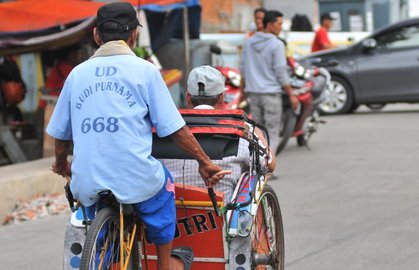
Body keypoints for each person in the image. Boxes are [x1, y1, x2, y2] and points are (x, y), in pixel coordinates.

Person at [47, 3, 228, 270]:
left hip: (88, 180)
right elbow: (174, 128)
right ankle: (164, 265)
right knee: (164, 189)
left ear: (97, 35)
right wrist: (204, 161)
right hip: (136, 179)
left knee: (90, 210)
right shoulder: (145, 71)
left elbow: (60, 136)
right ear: (133, 35)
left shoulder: (76, 75)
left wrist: (62, 164)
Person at [161, 66, 276, 203]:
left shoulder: (167, 128)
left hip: (173, 211)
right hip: (223, 211)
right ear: (222, 97)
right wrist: (258, 133)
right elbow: (268, 164)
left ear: (188, 97)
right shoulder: (239, 128)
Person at [240, 10, 299, 155]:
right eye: (279, 24)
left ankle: (258, 169)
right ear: (270, 24)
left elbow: (243, 69)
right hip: (271, 95)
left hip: (254, 94)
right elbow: (280, 72)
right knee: (272, 132)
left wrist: (242, 92)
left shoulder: (248, 43)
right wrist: (291, 94)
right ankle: (269, 169)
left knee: (258, 132)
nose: (280, 27)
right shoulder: (277, 44)